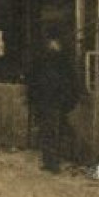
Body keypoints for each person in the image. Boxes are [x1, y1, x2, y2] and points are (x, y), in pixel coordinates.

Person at [27, 30, 78, 172]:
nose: (53, 45)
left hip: (55, 102)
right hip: (45, 101)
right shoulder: (43, 59)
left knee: (53, 132)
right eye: (51, 42)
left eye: (54, 42)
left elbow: (71, 82)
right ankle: (49, 161)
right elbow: (32, 80)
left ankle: (53, 162)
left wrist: (68, 102)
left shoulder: (62, 61)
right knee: (46, 132)